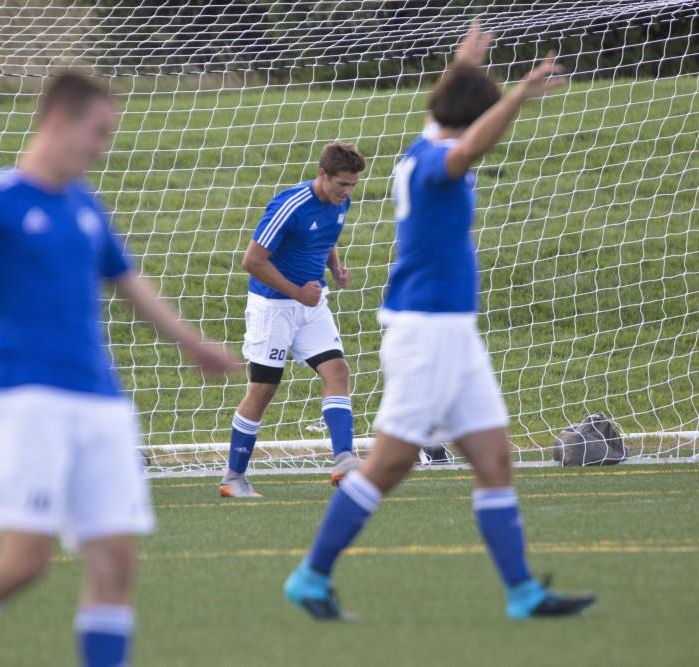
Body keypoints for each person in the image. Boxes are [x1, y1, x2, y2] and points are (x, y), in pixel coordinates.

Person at [0, 71, 238, 667]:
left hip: (100, 404)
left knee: (116, 561)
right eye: (98, 132)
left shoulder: (86, 205)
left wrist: (195, 344)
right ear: (60, 121)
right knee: (24, 561)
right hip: (25, 403)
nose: (102, 147)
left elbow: (132, 285)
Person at [283, 22, 597, 620]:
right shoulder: (436, 164)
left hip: (453, 334)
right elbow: (469, 149)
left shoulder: (424, 142)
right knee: (389, 466)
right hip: (425, 333)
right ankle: (310, 575)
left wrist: (464, 64)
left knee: (494, 459)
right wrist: (518, 96)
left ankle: (523, 592)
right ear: (471, 117)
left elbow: (451, 121)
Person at [220, 142, 366, 498]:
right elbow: (252, 260)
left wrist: (335, 268)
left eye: (352, 185)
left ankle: (344, 459)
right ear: (322, 174)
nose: (346, 192)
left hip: (311, 305)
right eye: (341, 184)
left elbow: (327, 235)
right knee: (264, 389)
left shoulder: (339, 202)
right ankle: (233, 477)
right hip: (273, 308)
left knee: (338, 371)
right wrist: (295, 291)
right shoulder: (290, 205)